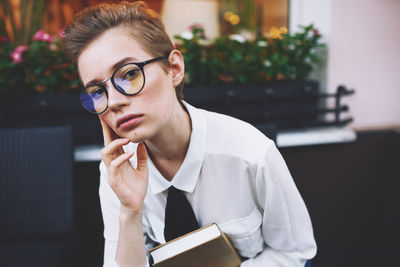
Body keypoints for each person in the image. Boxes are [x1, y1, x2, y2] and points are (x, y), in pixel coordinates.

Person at [63, 1, 317, 266]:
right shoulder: (117, 169)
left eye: (129, 74)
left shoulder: (250, 154)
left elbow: (294, 253)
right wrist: (130, 211)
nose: (113, 101)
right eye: (96, 92)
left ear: (174, 68)